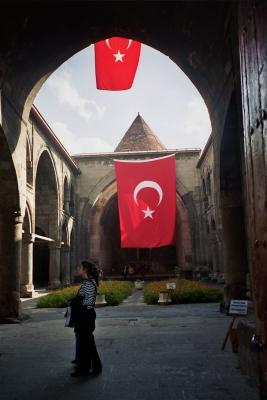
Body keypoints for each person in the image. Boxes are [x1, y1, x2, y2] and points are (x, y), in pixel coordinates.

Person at [70, 260, 102, 377]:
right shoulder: (88, 282)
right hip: (86, 315)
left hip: (85, 316)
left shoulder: (88, 283)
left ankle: (84, 368)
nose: (78, 268)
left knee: (86, 343)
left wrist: (75, 302)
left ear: (85, 270)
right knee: (88, 343)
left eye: (80, 267)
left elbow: (87, 303)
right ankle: (95, 366)